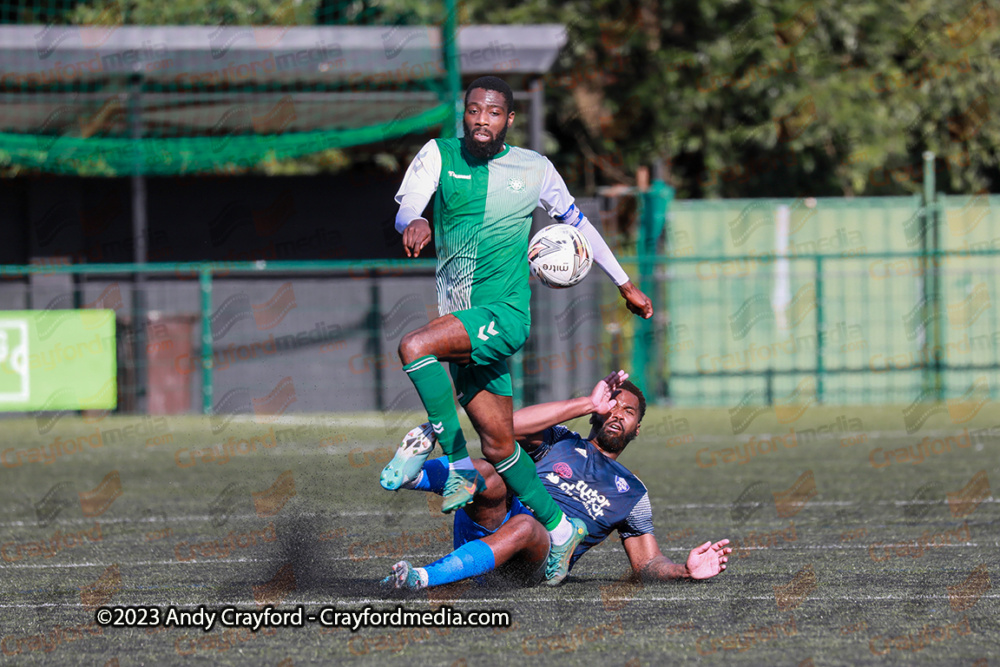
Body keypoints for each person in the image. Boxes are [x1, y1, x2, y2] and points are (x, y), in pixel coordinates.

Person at [382, 75, 653, 584]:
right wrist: (412, 223)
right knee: (502, 447)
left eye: (492, 112)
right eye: (473, 111)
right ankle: (558, 527)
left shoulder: (535, 169)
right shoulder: (439, 155)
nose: (481, 120)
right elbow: (408, 208)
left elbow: (579, 224)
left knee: (413, 345)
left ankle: (455, 467)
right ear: (464, 114)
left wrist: (624, 281)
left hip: (504, 314)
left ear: (509, 119)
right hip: (461, 317)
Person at [381, 371, 731, 590]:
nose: (617, 414)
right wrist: (584, 403)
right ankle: (412, 478)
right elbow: (509, 428)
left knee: (527, 525)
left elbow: (647, 564)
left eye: (629, 412)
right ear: (598, 410)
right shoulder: (561, 440)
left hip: (530, 566)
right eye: (612, 404)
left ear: (637, 429)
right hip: (487, 526)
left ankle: (422, 578)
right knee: (490, 469)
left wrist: (684, 571)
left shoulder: (634, 493)